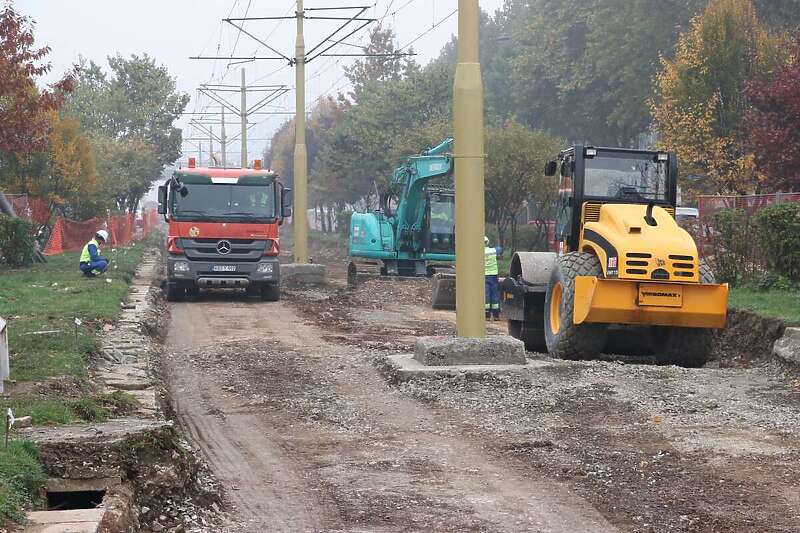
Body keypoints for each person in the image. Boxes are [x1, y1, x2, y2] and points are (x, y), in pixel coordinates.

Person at [484, 236, 501, 320]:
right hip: (494, 275)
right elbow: (499, 249)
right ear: (488, 242)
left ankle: (486, 314)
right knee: (495, 293)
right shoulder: (493, 251)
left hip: (484, 275)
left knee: (486, 293)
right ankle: (496, 315)